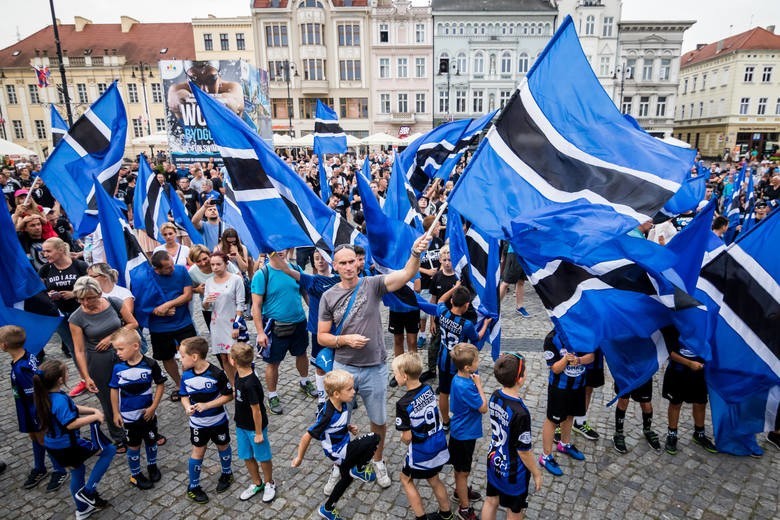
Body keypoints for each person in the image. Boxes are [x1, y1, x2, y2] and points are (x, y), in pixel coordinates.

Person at [318, 235, 431, 488]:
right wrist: (344, 340)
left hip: (375, 367)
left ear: (358, 263)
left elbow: (405, 275)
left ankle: (377, 460)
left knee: (378, 420)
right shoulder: (328, 296)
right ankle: (341, 463)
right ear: (334, 266)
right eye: (343, 263)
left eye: (351, 262)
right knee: (338, 421)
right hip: (343, 368)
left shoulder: (372, 284)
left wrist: (415, 253)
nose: (348, 267)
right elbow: (322, 336)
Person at [32, 360, 117, 520]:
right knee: (109, 450)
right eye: (66, 372)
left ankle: (83, 509)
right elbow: (70, 423)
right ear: (59, 379)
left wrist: (91, 409)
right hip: (68, 445)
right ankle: (88, 491)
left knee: (77, 472)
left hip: (53, 445)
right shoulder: (59, 399)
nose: (68, 374)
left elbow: (72, 408)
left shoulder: (46, 396)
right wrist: (94, 417)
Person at [291, 369, 380, 520]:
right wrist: (299, 458)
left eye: (353, 387)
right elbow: (307, 435)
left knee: (346, 479)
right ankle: (359, 468)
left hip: (344, 446)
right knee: (374, 438)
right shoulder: (327, 414)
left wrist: (348, 427)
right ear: (336, 394)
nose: (354, 391)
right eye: (350, 389)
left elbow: (336, 425)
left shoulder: (343, 403)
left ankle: (327, 508)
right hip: (337, 452)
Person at [69, 276, 138, 449]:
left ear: (99, 293)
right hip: (99, 362)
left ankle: (140, 427)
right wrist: (86, 377)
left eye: (89, 298)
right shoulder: (76, 318)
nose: (85, 302)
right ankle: (119, 436)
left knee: (133, 390)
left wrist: (111, 337)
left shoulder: (113, 302)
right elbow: (79, 350)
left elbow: (133, 323)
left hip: (123, 354)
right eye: (81, 298)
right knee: (108, 399)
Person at [0, 325, 68, 491]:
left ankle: (59, 470)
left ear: (4, 346)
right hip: (26, 407)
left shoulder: (21, 369)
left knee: (42, 437)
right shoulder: (28, 355)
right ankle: (39, 467)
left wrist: (37, 415)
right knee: (34, 436)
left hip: (34, 409)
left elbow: (35, 394)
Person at [251, 249, 316, 415]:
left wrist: (317, 315)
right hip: (275, 327)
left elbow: (305, 293)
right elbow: (256, 306)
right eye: (274, 248)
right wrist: (260, 332)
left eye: (282, 247)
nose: (279, 251)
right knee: (273, 363)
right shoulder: (262, 274)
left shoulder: (296, 269)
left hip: (299, 322)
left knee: (302, 354)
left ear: (287, 250)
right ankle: (272, 395)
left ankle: (304, 381)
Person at [482, 353, 543, 520]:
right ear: (520, 379)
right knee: (514, 510)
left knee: (490, 501)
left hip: (494, 459)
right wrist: (537, 473)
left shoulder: (495, 395)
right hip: (513, 471)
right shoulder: (521, 413)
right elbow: (524, 451)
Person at [392, 352, 452, 520]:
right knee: (434, 479)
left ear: (404, 376)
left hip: (421, 451)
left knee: (405, 479)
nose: (394, 377)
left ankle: (421, 517)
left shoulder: (403, 404)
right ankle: (446, 513)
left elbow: (407, 437)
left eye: (395, 373)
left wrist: (403, 440)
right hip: (438, 443)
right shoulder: (428, 388)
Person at [277, 250, 340, 407]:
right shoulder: (310, 280)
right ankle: (321, 397)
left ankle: (340, 393)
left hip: (338, 330)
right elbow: (285, 269)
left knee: (339, 364)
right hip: (318, 331)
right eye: (316, 258)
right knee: (320, 365)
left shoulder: (339, 280)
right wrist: (272, 251)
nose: (319, 261)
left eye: (322, 258)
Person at [178, 337, 235, 504]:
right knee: (198, 451)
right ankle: (193, 486)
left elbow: (229, 396)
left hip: (218, 421)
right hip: (197, 424)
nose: (180, 359)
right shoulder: (186, 375)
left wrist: (207, 405)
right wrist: (187, 406)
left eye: (182, 356)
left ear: (194, 357)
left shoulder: (216, 374)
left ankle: (227, 473)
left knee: (223, 446)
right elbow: (183, 396)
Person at [109, 328, 167, 490]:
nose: (118, 353)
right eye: (116, 350)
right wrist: (115, 412)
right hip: (128, 416)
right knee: (133, 445)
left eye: (120, 349)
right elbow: (113, 390)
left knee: (151, 440)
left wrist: (154, 406)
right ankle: (135, 474)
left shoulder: (150, 364)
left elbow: (160, 384)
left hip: (148, 414)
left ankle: (152, 466)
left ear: (135, 346)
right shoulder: (118, 368)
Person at [138, 250, 195, 398]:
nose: (172, 269)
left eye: (172, 264)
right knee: (167, 357)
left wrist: (168, 304)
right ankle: (179, 384)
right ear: (157, 269)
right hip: (159, 327)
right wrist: (157, 311)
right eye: (168, 268)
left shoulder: (181, 270)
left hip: (183, 322)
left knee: (192, 353)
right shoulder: (146, 277)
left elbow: (187, 295)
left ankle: (192, 382)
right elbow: (140, 303)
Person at [538, 329, 592, 476]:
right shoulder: (552, 338)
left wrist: (579, 360)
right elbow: (555, 368)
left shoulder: (583, 332)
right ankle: (545, 456)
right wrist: (566, 359)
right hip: (559, 388)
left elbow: (592, 356)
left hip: (578, 385)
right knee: (552, 420)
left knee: (570, 415)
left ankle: (564, 444)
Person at [436, 285, 490, 431]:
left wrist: (454, 288)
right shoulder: (466, 325)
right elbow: (477, 337)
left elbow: (441, 299)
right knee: (460, 390)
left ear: (452, 300)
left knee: (443, 391)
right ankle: (461, 418)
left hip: (442, 358)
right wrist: (485, 324)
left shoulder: (442, 312)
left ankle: (445, 422)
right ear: (467, 305)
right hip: (458, 363)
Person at [229, 342, 276, 503]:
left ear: (233, 361)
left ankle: (270, 483)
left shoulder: (250, 383)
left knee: (263, 457)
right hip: (241, 424)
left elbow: (256, 410)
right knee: (246, 456)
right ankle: (257, 483)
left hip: (254, 428)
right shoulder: (238, 374)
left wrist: (258, 433)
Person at [660, 327, 717, 455]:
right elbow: (670, 352)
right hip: (678, 370)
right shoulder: (672, 324)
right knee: (675, 403)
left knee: (700, 403)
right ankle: (672, 434)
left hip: (698, 371)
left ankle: (699, 434)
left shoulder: (701, 320)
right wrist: (689, 363)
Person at [449, 343, 488, 520]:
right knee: (463, 471)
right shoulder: (467, 386)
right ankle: (464, 508)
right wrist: (479, 386)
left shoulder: (459, 379)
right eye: (477, 360)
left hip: (461, 432)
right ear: (467, 367)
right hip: (464, 435)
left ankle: (460, 491)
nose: (479, 362)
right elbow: (483, 407)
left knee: (461, 468)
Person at [39, 237, 88, 371]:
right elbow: (40, 292)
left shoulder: (79, 265)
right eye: (43, 251)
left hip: (81, 312)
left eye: (48, 251)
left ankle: (97, 374)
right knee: (73, 348)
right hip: (59, 314)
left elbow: (93, 288)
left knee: (89, 344)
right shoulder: (45, 269)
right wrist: (48, 295)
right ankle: (85, 377)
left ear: (61, 250)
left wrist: (74, 294)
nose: (45, 254)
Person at [203, 252, 246, 384]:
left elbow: (241, 304)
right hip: (217, 324)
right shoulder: (209, 282)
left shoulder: (236, 280)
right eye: (212, 265)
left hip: (232, 322)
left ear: (226, 264)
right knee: (223, 357)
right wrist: (206, 302)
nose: (215, 267)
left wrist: (236, 325)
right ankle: (233, 383)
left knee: (233, 356)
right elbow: (205, 307)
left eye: (218, 264)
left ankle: (241, 382)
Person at [499, 243, 530, 318]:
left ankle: (519, 307)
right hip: (514, 252)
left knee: (521, 281)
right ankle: (494, 307)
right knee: (506, 282)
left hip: (525, 252)